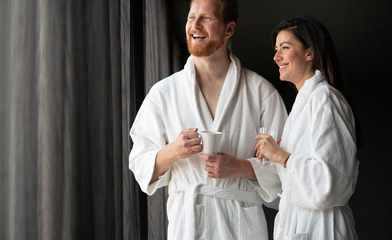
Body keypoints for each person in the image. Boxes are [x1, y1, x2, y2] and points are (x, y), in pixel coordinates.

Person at [129, 0, 287, 239]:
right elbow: (140, 166)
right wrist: (173, 151)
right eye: (191, 17)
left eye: (207, 18)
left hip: (242, 226)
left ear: (229, 30)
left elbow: (286, 170)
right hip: (187, 225)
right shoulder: (164, 93)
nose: (195, 25)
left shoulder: (261, 93)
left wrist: (241, 167)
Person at [254, 16, 359, 239]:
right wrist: (274, 158)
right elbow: (292, 184)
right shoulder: (305, 103)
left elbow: (330, 183)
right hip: (300, 224)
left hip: (322, 227)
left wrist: (282, 157)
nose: (276, 57)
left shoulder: (324, 99)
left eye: (285, 47)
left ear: (309, 53)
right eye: (276, 49)